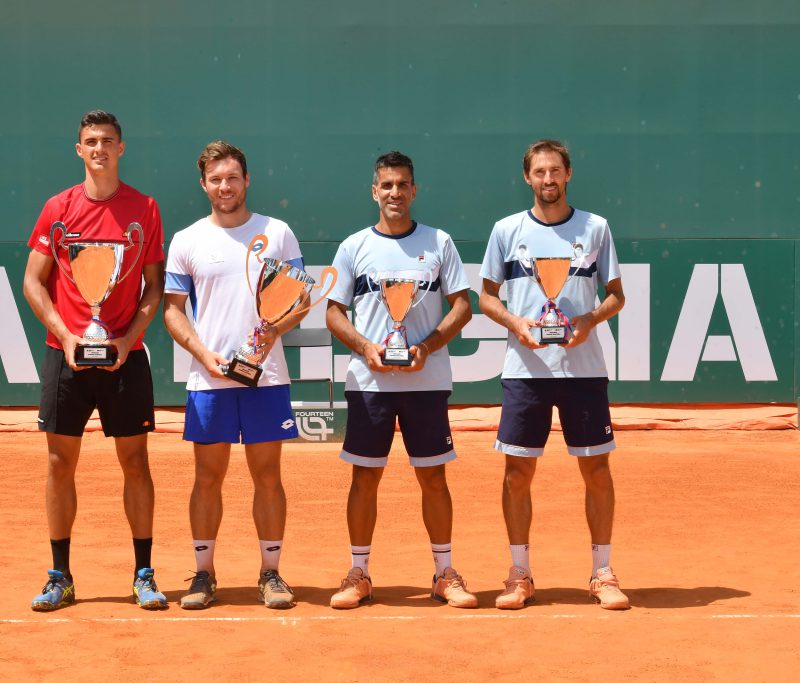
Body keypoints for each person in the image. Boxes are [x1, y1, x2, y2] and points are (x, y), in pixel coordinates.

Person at [22, 109, 167, 611]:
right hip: (65, 359)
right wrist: (64, 335)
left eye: (107, 140)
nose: (99, 147)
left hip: (124, 359)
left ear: (121, 148)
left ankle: (143, 573)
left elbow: (153, 289)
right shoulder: (57, 208)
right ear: (78, 149)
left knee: (136, 463)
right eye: (90, 141)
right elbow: (32, 281)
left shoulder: (144, 208)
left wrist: (127, 340)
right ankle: (60, 575)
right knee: (60, 463)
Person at [478, 139, 629, 610]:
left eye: (555, 171)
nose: (548, 180)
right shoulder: (506, 231)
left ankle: (602, 572)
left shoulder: (596, 228)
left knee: (597, 470)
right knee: (517, 471)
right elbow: (486, 297)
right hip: (525, 371)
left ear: (568, 175)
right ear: (528, 177)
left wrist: (586, 321)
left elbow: (616, 295)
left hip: (583, 370)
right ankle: (519, 573)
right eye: (539, 172)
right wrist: (517, 323)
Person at [324, 151, 476, 609]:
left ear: (414, 190)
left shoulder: (439, 242)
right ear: (374, 191)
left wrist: (426, 347)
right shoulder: (353, 247)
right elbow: (333, 312)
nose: (394, 193)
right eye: (386, 185)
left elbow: (463, 305)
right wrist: (367, 348)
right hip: (369, 383)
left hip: (426, 383)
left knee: (433, 477)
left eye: (402, 185)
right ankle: (359, 573)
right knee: (364, 478)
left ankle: (444, 572)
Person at [163, 140, 308, 610]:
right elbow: (172, 312)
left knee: (268, 476)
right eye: (215, 179)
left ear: (247, 180)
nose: (225, 186)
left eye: (232, 177)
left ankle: (271, 573)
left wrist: (272, 334)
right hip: (209, 382)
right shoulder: (187, 240)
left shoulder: (278, 233)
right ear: (203, 184)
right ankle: (203, 575)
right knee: (208, 477)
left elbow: (299, 301)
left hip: (265, 378)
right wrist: (204, 355)